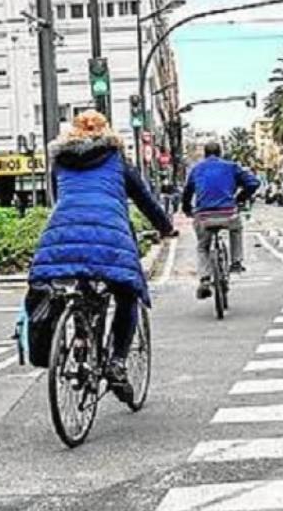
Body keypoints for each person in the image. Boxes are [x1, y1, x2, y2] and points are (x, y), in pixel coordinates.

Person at [28, 111, 175, 402]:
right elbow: (145, 200)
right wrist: (166, 228)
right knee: (126, 295)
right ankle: (117, 362)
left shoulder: (60, 162)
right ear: (107, 131)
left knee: (77, 285)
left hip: (62, 234)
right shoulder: (118, 161)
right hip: (110, 235)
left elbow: (57, 199)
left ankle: (82, 338)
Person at [182, 141, 260, 300]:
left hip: (203, 215)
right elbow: (253, 182)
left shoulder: (196, 169)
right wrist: (240, 198)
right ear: (220, 153)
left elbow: (187, 193)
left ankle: (204, 278)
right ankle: (236, 261)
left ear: (205, 154)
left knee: (203, 246)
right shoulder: (231, 167)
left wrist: (187, 210)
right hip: (228, 213)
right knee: (236, 229)